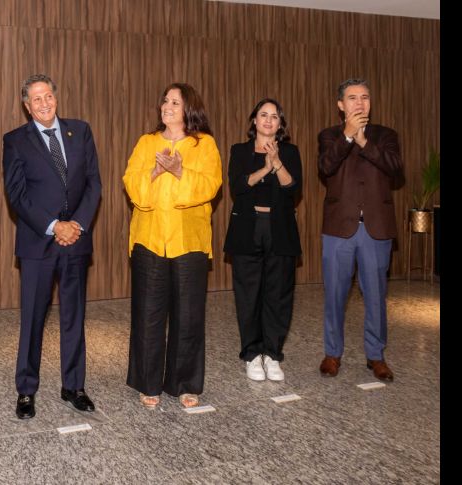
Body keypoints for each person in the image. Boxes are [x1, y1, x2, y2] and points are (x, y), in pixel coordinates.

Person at [2, 74, 102, 419]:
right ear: (26, 106)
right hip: (37, 242)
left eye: (48, 97)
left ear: (55, 98)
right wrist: (52, 225)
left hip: (76, 240)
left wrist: (76, 225)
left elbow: (93, 183)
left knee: (74, 316)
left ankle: (74, 386)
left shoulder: (81, 131)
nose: (44, 104)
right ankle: (26, 390)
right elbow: (17, 194)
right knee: (32, 318)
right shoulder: (15, 140)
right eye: (36, 99)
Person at [122, 83, 222, 409]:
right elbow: (132, 185)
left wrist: (180, 172)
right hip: (149, 240)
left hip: (188, 242)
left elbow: (210, 185)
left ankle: (184, 382)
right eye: (165, 100)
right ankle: (148, 381)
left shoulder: (204, 144)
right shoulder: (146, 142)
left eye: (175, 102)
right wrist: (153, 171)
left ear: (188, 108)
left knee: (188, 317)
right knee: (148, 314)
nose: (167, 106)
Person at [317, 78, 402, 382]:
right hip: (339, 228)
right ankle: (332, 353)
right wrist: (348, 137)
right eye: (352, 98)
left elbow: (395, 168)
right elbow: (326, 167)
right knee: (335, 295)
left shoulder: (386, 135)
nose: (359, 103)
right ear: (341, 105)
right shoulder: (329, 135)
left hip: (376, 228)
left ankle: (376, 356)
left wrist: (364, 141)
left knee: (376, 296)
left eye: (365, 97)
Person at [223, 98, 302, 382]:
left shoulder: (290, 151)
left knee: (278, 294)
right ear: (254, 120)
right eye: (263, 115)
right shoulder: (240, 150)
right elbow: (238, 186)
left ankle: (272, 354)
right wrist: (265, 168)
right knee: (248, 295)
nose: (268, 120)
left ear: (280, 124)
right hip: (247, 228)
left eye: (274, 116)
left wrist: (277, 163)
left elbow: (293, 187)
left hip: (280, 229)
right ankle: (252, 354)